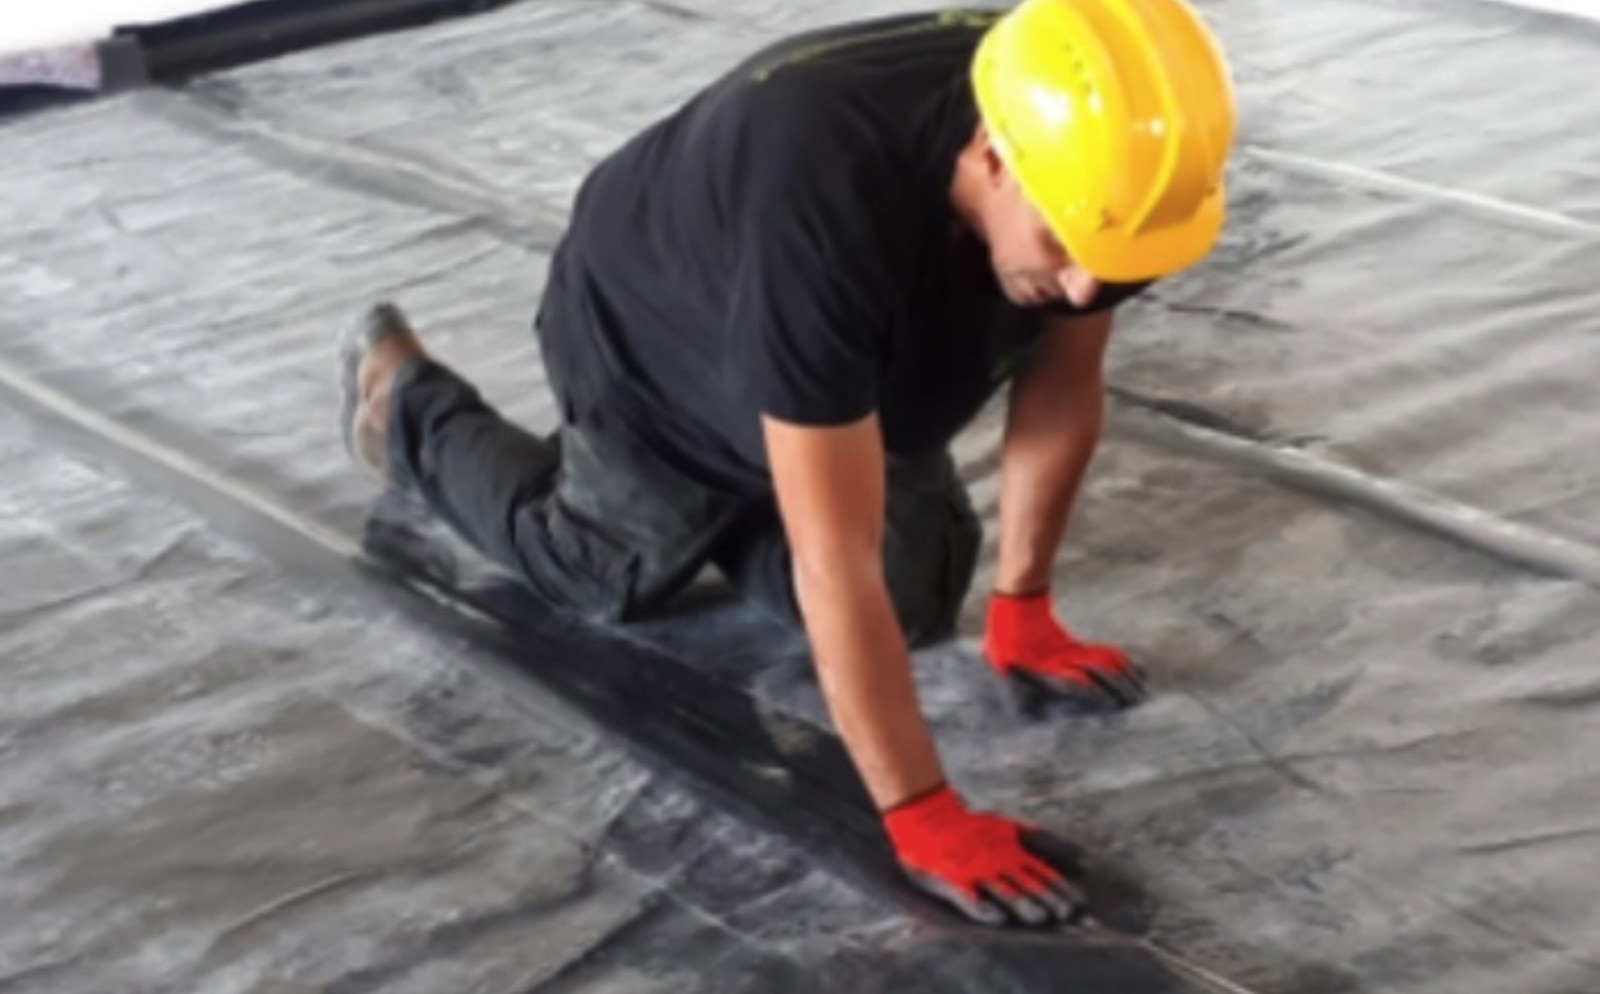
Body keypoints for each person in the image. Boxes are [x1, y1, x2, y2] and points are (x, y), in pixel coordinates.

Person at [338, 0, 1236, 928]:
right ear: (992, 159)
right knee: (608, 574)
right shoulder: (825, 201)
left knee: (913, 598)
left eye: (1113, 264)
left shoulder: (1092, 141)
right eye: (1064, 249)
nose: (1087, 290)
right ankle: (403, 401)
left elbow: (1062, 384)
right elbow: (831, 557)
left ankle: (764, 478)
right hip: (656, 328)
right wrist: (923, 815)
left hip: (846, 317)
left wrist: (1025, 608)